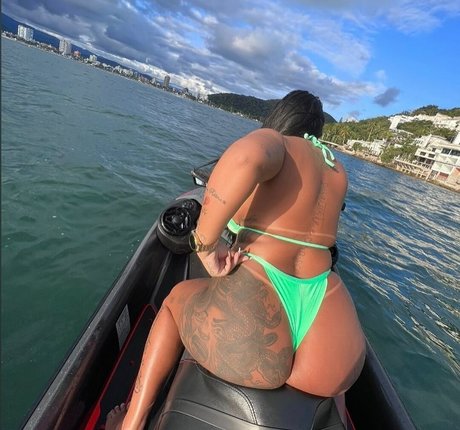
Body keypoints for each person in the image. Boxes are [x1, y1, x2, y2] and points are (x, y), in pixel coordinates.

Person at [106, 90, 366, 429]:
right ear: (317, 132)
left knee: (173, 301)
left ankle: (132, 423)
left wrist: (204, 245)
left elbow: (246, 158)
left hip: (256, 324)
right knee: (333, 382)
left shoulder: (278, 143)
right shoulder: (336, 170)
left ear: (280, 119)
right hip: (333, 344)